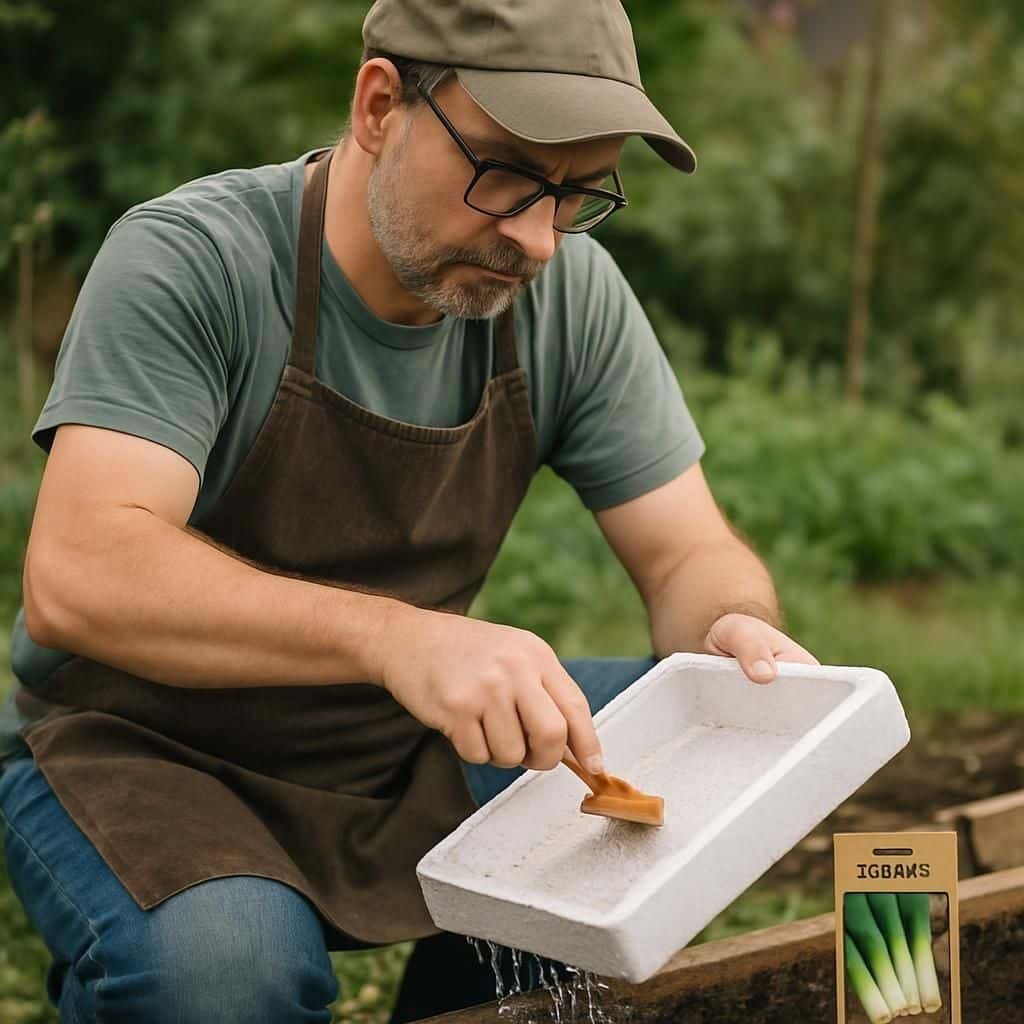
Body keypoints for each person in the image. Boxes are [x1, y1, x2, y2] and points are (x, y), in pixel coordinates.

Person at [0, 1, 820, 1020]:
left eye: (573, 194)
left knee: (692, 763)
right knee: (221, 973)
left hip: (404, 747)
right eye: (508, 173)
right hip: (146, 753)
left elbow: (686, 550)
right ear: (381, 104)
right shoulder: (193, 260)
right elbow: (82, 573)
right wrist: (395, 637)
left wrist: (723, 627)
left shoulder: (571, 299)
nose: (537, 240)